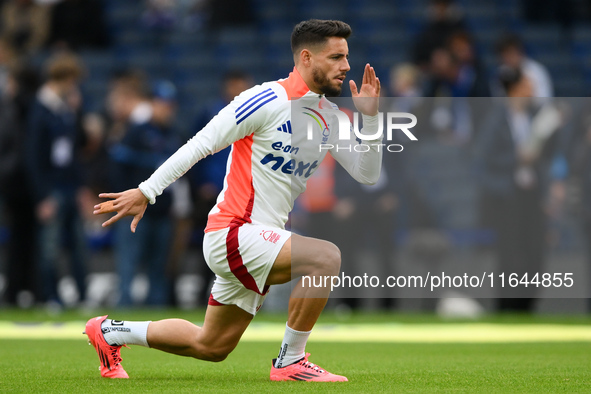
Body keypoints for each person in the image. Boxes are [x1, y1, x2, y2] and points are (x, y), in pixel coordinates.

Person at [85, 19, 382, 382]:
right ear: (306, 57)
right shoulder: (266, 99)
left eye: (346, 57)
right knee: (326, 257)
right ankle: (291, 361)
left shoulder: (330, 118)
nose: (346, 66)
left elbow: (367, 174)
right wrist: (147, 191)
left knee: (211, 346)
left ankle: (109, 331)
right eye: (336, 57)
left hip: (261, 239)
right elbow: (201, 144)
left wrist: (370, 120)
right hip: (234, 232)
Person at [106, 76, 180, 307]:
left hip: (162, 211)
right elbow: (118, 170)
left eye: (170, 105)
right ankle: (124, 308)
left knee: (158, 266)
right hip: (134, 210)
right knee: (129, 263)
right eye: (161, 103)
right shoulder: (136, 132)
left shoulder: (173, 135)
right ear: (152, 103)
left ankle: (156, 310)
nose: (166, 109)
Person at [26, 52, 90, 307]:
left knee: (78, 245)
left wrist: (81, 186)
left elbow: (77, 150)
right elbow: (34, 157)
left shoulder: (67, 109)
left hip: (70, 185)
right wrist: (41, 195)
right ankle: (51, 296)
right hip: (51, 187)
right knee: (50, 247)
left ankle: (82, 295)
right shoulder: (40, 109)